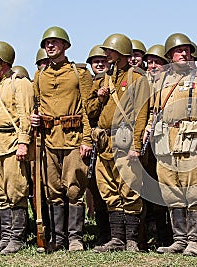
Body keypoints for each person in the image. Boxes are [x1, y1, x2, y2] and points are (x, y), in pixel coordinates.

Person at [145, 33, 197, 256]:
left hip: (191, 141)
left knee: (193, 192)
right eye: (178, 50)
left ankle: (194, 241)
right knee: (171, 192)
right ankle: (179, 240)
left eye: (186, 50)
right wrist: (149, 128)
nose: (184, 53)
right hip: (165, 141)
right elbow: (154, 111)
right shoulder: (161, 80)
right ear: (169, 55)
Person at [30, 26, 93, 252]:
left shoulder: (80, 73)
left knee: (74, 189)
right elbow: (36, 105)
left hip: (74, 139)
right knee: (52, 190)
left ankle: (75, 238)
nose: (50, 45)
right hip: (48, 141)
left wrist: (87, 139)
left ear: (66, 46)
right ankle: (58, 238)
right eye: (47, 42)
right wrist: (34, 118)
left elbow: (88, 109)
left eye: (55, 42)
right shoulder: (40, 75)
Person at [86, 33, 150, 253]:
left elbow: (142, 113)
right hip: (104, 141)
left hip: (126, 140)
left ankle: (131, 240)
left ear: (120, 52)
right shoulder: (104, 78)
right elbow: (91, 110)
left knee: (129, 189)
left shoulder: (137, 78)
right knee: (108, 190)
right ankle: (117, 239)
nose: (106, 55)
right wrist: (100, 96)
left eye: (110, 51)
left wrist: (137, 145)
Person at [0, 41, 34, 254]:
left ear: (4, 61)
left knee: (16, 192)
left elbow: (25, 115)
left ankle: (17, 238)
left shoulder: (19, 83)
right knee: (0, 194)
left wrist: (24, 142)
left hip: (12, 144)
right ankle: (6, 237)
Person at [141, 44, 173, 248]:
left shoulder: (171, 84)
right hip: (146, 144)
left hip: (166, 143)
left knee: (164, 192)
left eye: (157, 62)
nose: (152, 66)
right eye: (149, 62)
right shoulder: (143, 83)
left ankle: (166, 236)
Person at [85, 44, 111, 245]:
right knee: (96, 187)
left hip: (111, 139)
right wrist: (100, 99)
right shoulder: (90, 84)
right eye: (96, 62)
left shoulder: (114, 81)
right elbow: (89, 112)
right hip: (94, 139)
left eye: (103, 61)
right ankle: (104, 234)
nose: (100, 64)